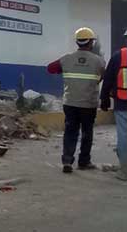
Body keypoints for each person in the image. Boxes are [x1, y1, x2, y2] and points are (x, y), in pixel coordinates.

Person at [46, 27, 105, 173]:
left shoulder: (66, 59)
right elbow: (105, 75)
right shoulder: (99, 61)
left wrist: (64, 70)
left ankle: (67, 161)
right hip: (88, 103)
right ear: (91, 43)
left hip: (70, 103)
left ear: (77, 42)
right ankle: (84, 162)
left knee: (70, 132)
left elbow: (50, 68)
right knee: (87, 132)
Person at [100, 29, 127, 181]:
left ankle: (125, 171)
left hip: (122, 104)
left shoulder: (119, 56)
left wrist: (104, 99)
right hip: (121, 103)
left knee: (124, 137)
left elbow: (108, 79)